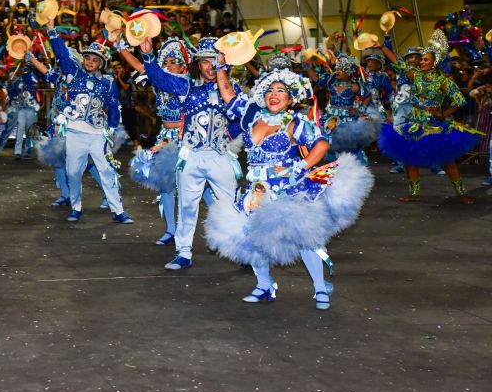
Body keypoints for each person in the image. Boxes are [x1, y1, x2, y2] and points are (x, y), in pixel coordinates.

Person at [206, 66, 373, 310]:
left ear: (290, 98)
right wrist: (221, 69)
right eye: (270, 90)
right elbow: (229, 94)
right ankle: (264, 285)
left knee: (304, 239)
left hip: (287, 190)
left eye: (280, 90)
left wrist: (299, 167)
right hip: (257, 192)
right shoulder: (253, 116)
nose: (274, 94)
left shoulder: (296, 122)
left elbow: (322, 145)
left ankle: (319, 287)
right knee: (251, 238)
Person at [138, 36, 240, 269]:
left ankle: (239, 247)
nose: (211, 67)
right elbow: (159, 79)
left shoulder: (230, 90)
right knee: (186, 205)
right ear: (198, 64)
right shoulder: (186, 85)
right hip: (191, 155)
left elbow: (241, 119)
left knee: (231, 205)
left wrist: (228, 137)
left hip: (220, 156)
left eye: (216, 61)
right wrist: (148, 56)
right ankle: (183, 252)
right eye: (206, 61)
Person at [378, 29, 482, 204]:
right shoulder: (415, 76)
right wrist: (381, 46)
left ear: (435, 63)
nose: (421, 62)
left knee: (447, 161)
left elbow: (459, 99)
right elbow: (397, 63)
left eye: (425, 59)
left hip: (434, 125)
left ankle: (462, 193)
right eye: (421, 59)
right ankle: (414, 193)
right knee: (408, 159)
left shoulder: (443, 81)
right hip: (413, 123)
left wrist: (443, 113)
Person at [47, 18, 134, 224]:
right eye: (87, 58)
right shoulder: (73, 72)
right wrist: (51, 30)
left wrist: (112, 128)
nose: (89, 62)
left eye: (94, 60)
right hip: (75, 133)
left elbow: (114, 105)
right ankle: (76, 207)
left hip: (98, 134)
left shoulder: (108, 82)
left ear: (101, 64)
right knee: (73, 172)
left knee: (107, 171)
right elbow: (60, 53)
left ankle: (118, 210)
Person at [119, 38, 189, 245]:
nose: (167, 66)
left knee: (201, 189)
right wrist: (121, 48)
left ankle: (227, 228)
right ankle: (171, 230)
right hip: (165, 138)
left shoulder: (186, 83)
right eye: (164, 62)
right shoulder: (159, 80)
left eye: (171, 62)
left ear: (183, 65)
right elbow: (141, 67)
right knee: (165, 186)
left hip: (186, 140)